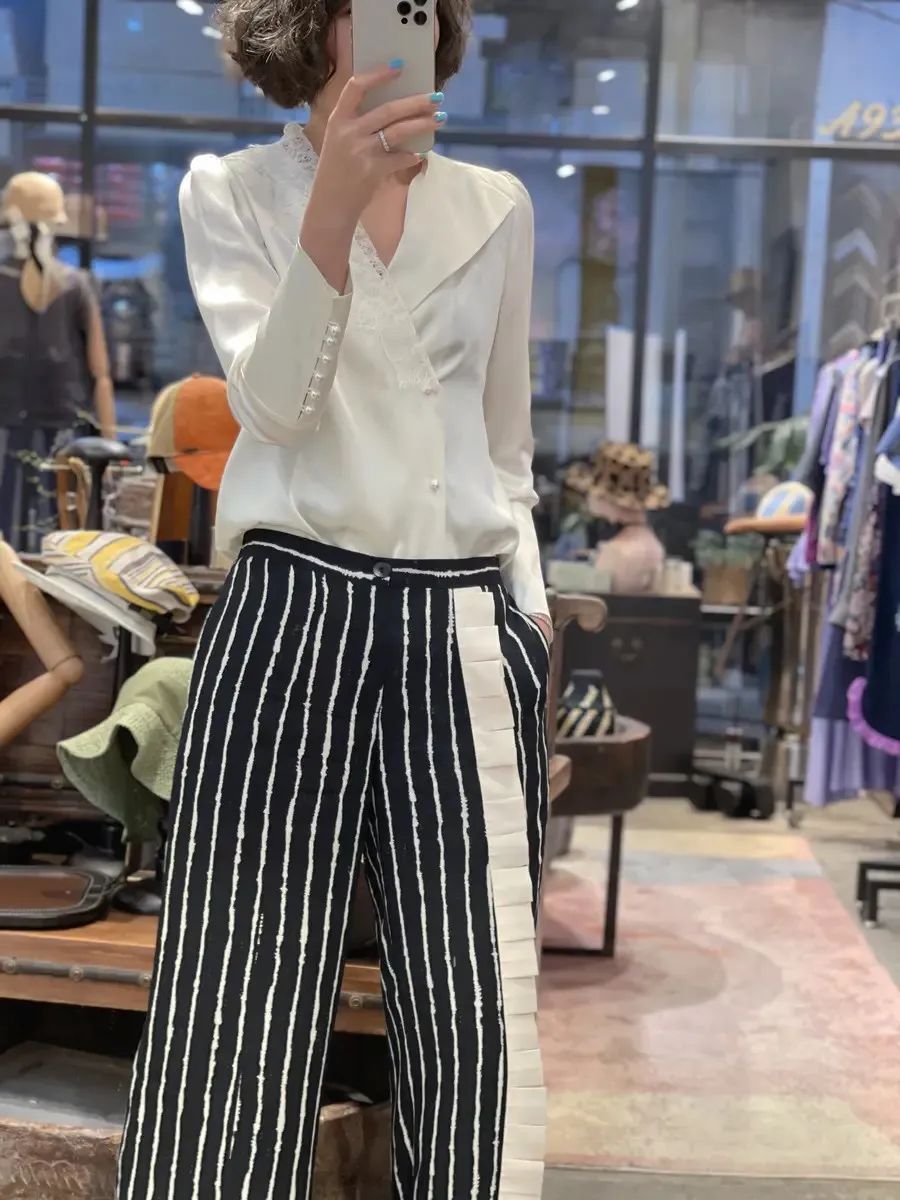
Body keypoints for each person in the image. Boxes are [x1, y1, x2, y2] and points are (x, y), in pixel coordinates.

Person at [116, 1, 550, 1196]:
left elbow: (505, 447)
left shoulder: (496, 206)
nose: (404, 17)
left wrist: (528, 614)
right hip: (292, 604)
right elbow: (275, 408)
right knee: (237, 982)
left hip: (461, 615)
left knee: (475, 995)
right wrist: (335, 208)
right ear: (312, 24)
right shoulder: (233, 191)